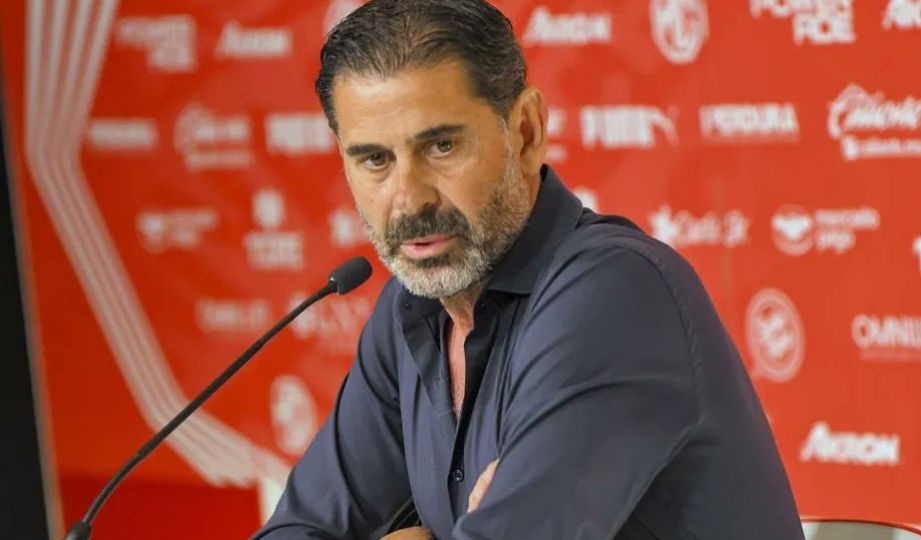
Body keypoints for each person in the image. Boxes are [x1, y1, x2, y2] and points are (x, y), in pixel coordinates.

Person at [253, 0, 804, 538]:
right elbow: (298, 528)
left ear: (525, 132)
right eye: (375, 159)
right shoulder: (409, 312)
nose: (408, 200)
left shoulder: (615, 293)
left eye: (441, 146)